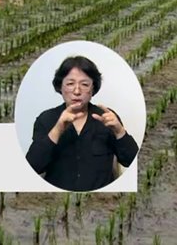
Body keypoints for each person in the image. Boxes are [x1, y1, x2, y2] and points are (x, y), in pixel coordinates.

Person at [26, 56, 140, 192]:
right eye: (70, 84)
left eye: (84, 85)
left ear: (93, 89)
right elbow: (33, 167)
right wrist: (57, 129)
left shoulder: (107, 118)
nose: (77, 91)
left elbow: (131, 161)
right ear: (60, 86)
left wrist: (119, 131)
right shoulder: (46, 119)